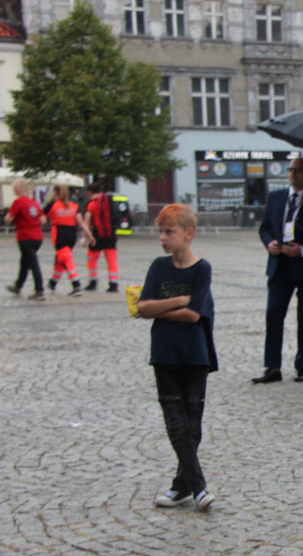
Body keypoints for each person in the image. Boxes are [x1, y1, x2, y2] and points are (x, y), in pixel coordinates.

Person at [136, 205, 217, 511]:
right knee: (175, 423)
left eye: (169, 232)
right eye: (161, 232)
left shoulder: (202, 269)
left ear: (188, 233)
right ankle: (197, 488)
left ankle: (180, 487)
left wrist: (163, 308)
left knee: (192, 425)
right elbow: (142, 308)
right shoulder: (159, 267)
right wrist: (177, 301)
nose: (163, 238)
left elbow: (194, 313)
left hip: (196, 355)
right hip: (164, 353)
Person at [252, 157, 303, 384]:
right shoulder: (275, 198)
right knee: (273, 314)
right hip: (279, 267)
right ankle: (272, 366)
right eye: (291, 170)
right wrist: (269, 243)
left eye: (298, 170)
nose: (293, 174)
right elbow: (265, 227)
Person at [44, 184, 94, 296]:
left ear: (56, 193)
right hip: (71, 235)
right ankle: (53, 282)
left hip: (59, 234)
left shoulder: (53, 204)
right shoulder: (73, 206)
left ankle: (76, 285)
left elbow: (42, 219)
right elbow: (81, 223)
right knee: (61, 258)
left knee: (66, 259)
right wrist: (90, 235)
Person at [4, 179, 47, 301]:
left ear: (21, 188)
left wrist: (9, 217)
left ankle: (39, 290)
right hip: (37, 237)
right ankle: (18, 285)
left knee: (33, 264)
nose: (14, 189)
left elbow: (8, 218)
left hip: (25, 237)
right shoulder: (33, 202)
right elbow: (43, 220)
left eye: (15, 187)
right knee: (25, 262)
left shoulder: (18, 202)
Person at [83, 182, 120, 292]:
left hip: (96, 235)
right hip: (110, 235)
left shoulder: (91, 204)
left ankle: (93, 283)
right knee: (111, 259)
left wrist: (84, 236)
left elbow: (87, 222)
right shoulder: (109, 201)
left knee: (92, 258)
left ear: (89, 192)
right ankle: (113, 283)